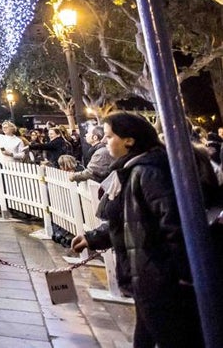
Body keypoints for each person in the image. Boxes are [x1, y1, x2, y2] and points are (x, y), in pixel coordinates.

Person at [71, 113, 204, 348]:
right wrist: (94, 238)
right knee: (145, 339)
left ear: (129, 140)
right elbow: (129, 219)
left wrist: (182, 275)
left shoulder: (147, 172)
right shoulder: (132, 170)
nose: (105, 141)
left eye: (110, 136)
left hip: (159, 280)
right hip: (149, 277)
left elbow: (173, 225)